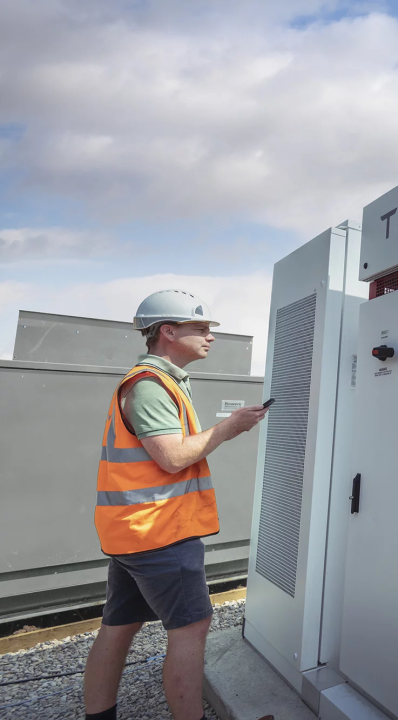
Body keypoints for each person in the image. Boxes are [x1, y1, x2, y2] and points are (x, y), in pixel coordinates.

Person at [83, 290, 268, 720]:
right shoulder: (150, 387)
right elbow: (172, 458)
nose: (210, 337)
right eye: (201, 329)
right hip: (160, 534)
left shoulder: (156, 382)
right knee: (190, 630)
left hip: (134, 532)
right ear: (168, 331)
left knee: (118, 627)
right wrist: (229, 429)